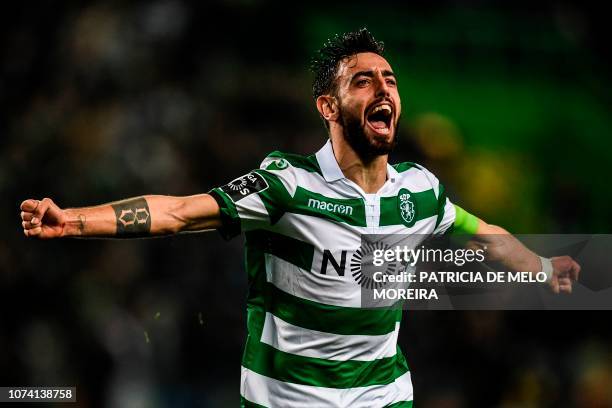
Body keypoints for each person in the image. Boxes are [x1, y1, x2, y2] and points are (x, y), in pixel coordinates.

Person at [19, 28, 579, 407]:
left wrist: (542, 266)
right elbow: (180, 212)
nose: (384, 89)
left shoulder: (421, 191)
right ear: (328, 108)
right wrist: (73, 220)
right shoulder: (285, 184)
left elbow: (487, 236)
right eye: (363, 80)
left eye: (390, 80)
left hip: (381, 396)